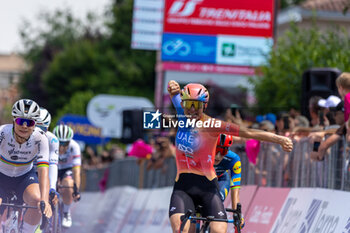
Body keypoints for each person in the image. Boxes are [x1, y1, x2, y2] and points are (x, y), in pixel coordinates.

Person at [167, 80, 293, 233]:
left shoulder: (214, 125)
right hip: (183, 188)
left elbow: (249, 133)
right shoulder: (182, 114)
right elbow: (174, 93)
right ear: (184, 104)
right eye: (188, 105)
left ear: (204, 106)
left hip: (208, 188)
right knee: (182, 230)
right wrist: (173, 87)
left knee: (219, 231)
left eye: (197, 106)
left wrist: (279, 139)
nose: (192, 110)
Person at [0, 99, 52, 233]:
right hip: (1, 176)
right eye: (20, 121)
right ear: (13, 120)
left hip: (24, 176)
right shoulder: (2, 133)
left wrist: (45, 200)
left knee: (37, 201)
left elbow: (43, 171)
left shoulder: (40, 138)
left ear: (35, 124)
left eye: (29, 122)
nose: (24, 126)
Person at [53, 124, 81, 228]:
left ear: (70, 141)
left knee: (69, 184)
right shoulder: (50, 142)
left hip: (67, 168)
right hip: (53, 166)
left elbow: (76, 170)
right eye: (60, 142)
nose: (61, 147)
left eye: (65, 143)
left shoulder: (75, 146)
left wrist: (76, 190)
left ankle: (66, 212)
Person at [214, 134, 244, 229]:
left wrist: (237, 215)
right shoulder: (201, 152)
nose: (218, 155)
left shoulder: (234, 159)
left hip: (221, 179)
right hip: (202, 180)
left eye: (223, 151)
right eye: (215, 150)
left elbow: (235, 191)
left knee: (216, 202)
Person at [35, 107, 59, 205]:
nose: (39, 132)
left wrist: (52, 188)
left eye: (42, 129)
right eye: (36, 127)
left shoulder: (52, 140)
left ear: (48, 128)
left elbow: (53, 164)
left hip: (43, 170)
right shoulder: (23, 135)